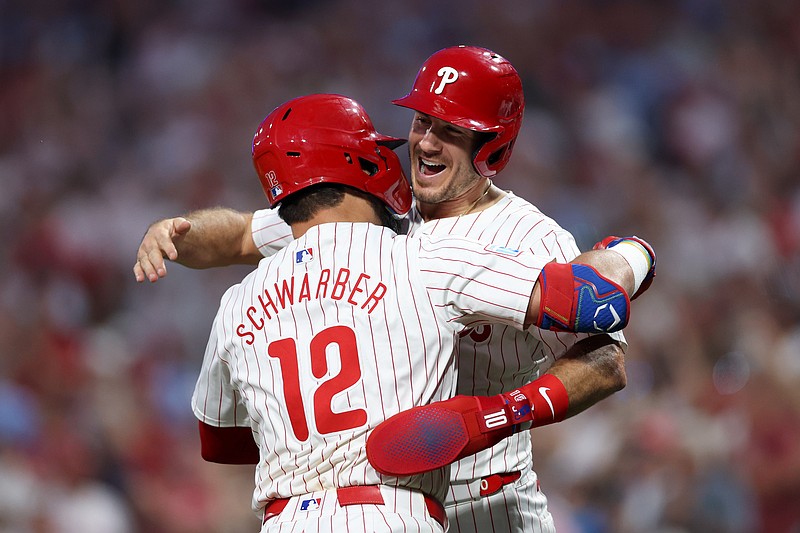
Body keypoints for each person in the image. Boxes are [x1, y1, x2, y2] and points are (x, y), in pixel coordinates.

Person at [137, 47, 656, 532]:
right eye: (422, 121)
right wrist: (177, 232)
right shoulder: (370, 205)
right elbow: (239, 234)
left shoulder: (529, 236)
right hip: (389, 504)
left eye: (451, 130)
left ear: (492, 146)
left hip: (489, 502)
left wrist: (504, 412)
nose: (426, 142)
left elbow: (605, 360)